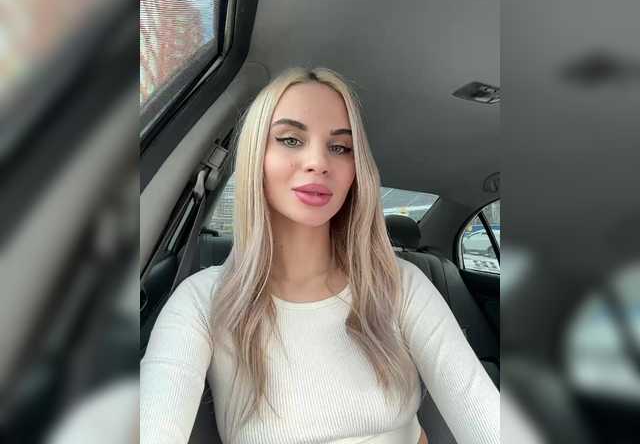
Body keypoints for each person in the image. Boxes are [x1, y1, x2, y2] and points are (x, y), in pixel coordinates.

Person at [140, 67, 499, 444]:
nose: (318, 162)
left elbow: (480, 408)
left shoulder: (401, 285)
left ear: (355, 171)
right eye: (290, 139)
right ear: (255, 159)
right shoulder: (202, 300)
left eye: (340, 147)